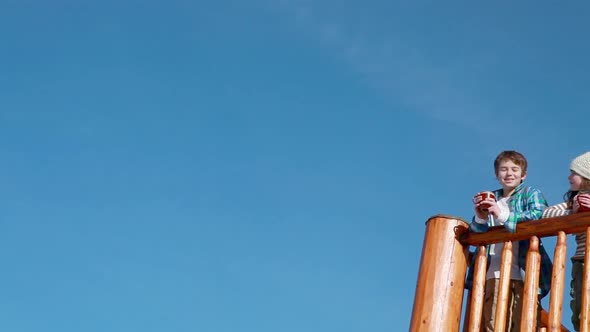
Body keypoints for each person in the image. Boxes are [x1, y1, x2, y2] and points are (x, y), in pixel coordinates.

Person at [465, 150, 553, 332]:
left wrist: (503, 214)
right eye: (503, 169)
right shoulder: (493, 197)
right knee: (494, 322)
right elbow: (478, 233)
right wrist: (480, 217)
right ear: (497, 175)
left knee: (523, 322)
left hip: (525, 271)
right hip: (493, 272)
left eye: (514, 169)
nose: (509, 173)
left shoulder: (530, 193)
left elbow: (538, 216)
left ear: (523, 175)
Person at [542, 151, 590, 331]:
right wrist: (573, 213)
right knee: (580, 309)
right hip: (582, 261)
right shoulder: (575, 200)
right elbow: (545, 214)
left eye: (574, 172)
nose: (569, 177)